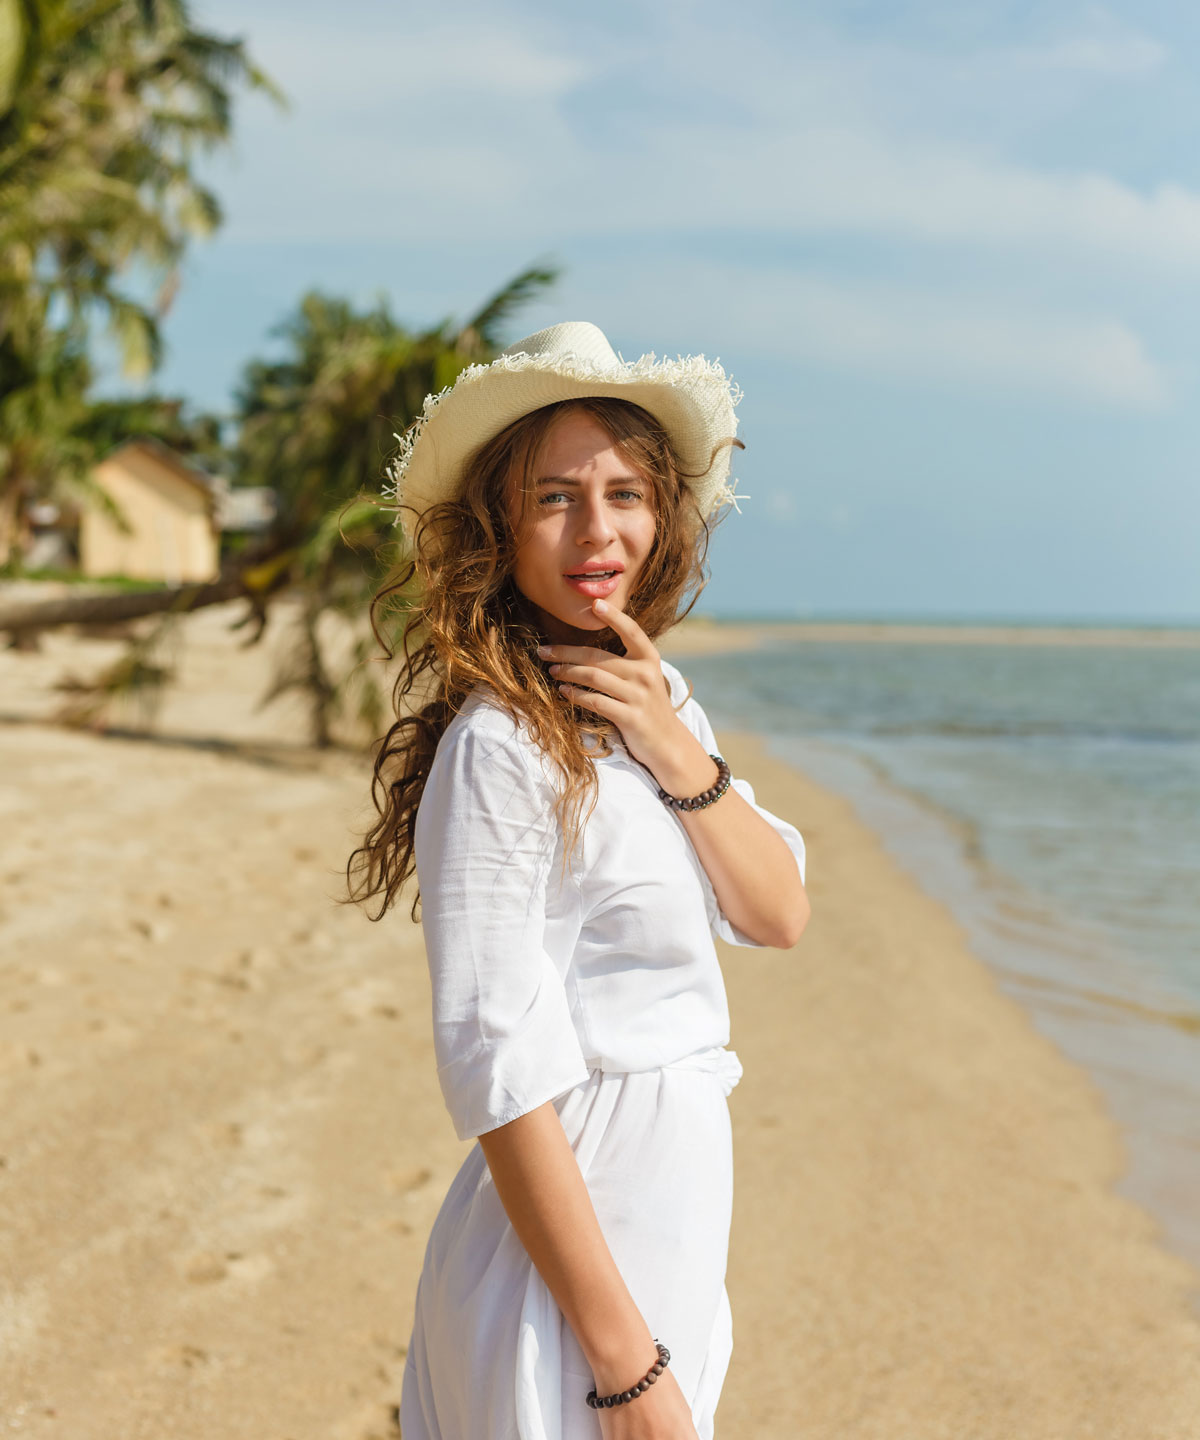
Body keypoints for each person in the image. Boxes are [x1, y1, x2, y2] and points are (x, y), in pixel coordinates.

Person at [345, 321, 810, 1438]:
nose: (598, 532)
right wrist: (626, 1366)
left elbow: (779, 910)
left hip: (666, 1230)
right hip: (575, 1267)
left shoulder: (651, 702)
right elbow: (501, 1068)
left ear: (665, 513)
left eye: (625, 494)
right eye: (555, 499)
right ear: (500, 526)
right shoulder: (502, 747)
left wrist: (680, 749)